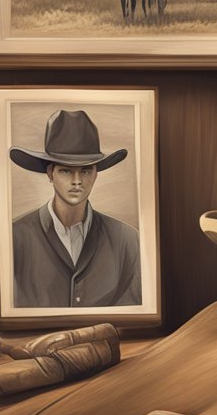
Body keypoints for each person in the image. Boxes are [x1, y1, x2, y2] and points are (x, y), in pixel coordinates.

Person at [9, 110, 142, 308]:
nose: (77, 181)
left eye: (86, 170)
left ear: (96, 174)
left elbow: (135, 310)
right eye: (66, 170)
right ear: (50, 173)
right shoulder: (14, 237)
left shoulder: (128, 241)